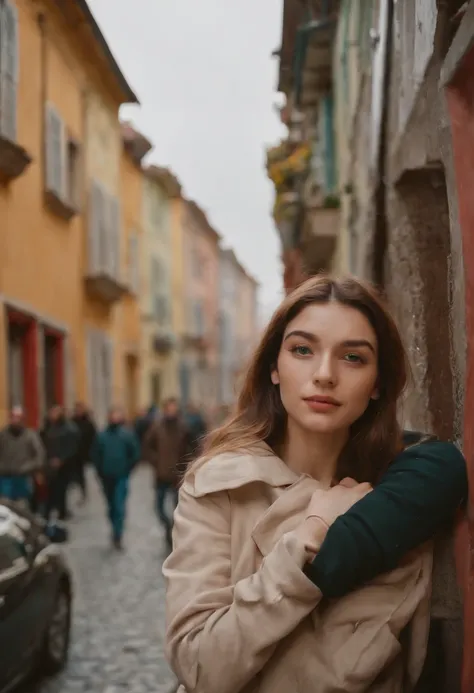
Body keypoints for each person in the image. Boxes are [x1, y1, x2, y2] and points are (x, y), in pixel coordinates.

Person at [163, 275, 468, 693]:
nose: (324, 375)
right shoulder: (219, 486)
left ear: (378, 382)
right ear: (274, 367)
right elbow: (199, 666)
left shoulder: (398, 499)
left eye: (353, 358)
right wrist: (306, 538)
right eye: (302, 350)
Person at [143, 397, 192, 549]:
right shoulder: (157, 427)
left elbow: (192, 448)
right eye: (169, 408)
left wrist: (186, 464)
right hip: (161, 474)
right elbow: (147, 446)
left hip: (177, 475)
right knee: (159, 507)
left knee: (178, 509)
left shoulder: (184, 427)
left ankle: (173, 531)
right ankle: (167, 525)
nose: (171, 410)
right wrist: (156, 461)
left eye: (174, 408)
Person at [91, 406, 140, 550]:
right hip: (106, 476)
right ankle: (114, 527)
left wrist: (127, 469)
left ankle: (118, 533)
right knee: (111, 506)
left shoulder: (127, 435)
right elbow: (95, 455)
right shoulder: (102, 436)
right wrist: (99, 471)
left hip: (121, 475)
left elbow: (135, 453)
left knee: (119, 505)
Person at [41, 404, 79, 522]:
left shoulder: (69, 428)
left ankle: (62, 511)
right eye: (51, 412)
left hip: (64, 466)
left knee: (62, 488)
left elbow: (73, 446)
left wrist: (61, 459)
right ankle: (50, 511)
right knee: (50, 489)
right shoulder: (46, 428)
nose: (53, 415)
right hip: (49, 464)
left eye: (55, 413)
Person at [0, 405, 45, 504]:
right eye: (13, 417)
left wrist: (29, 466)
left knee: (23, 504)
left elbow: (39, 455)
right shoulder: (3, 435)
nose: (15, 420)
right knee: (5, 504)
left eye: (18, 417)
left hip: (23, 476)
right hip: (5, 476)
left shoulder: (30, 435)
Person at [71, 402, 97, 504]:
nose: (79, 411)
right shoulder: (72, 422)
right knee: (78, 475)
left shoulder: (88, 423)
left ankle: (84, 493)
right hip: (75, 453)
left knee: (84, 474)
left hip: (86, 453)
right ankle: (80, 491)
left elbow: (93, 438)